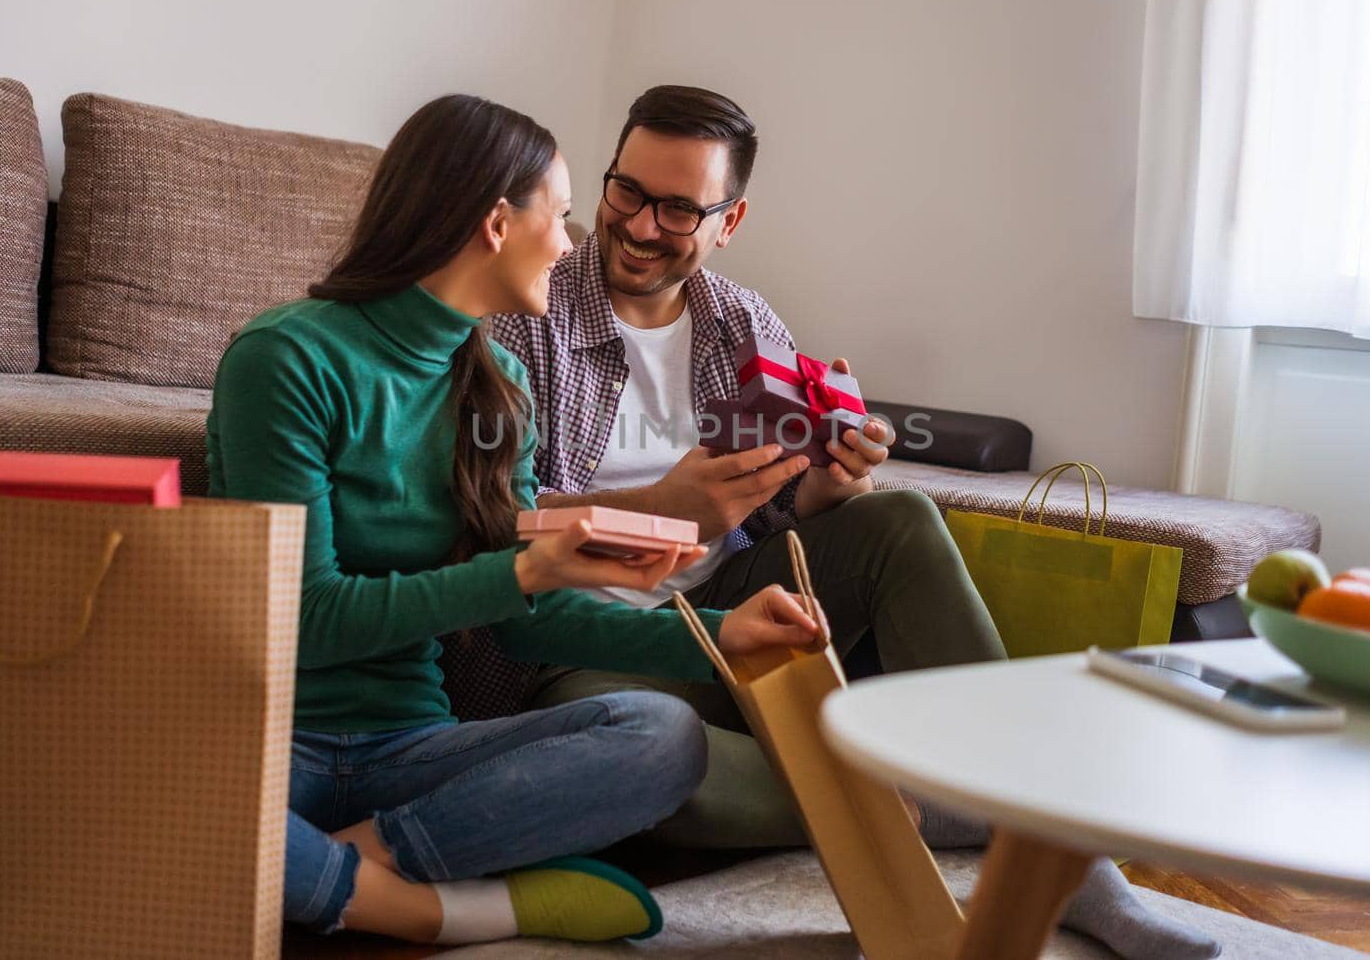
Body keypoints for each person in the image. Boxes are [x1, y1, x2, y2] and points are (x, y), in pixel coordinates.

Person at [491, 85, 1220, 959]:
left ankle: (1073, 868)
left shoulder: (741, 324)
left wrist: (831, 487)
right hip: (588, 644)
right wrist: (658, 509)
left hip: (731, 610)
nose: (642, 225)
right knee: (623, 745)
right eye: (627, 192)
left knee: (900, 517)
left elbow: (774, 519)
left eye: (680, 208)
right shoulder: (527, 309)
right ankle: (941, 803)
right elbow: (493, 524)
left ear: (730, 219)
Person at [207, 93, 826, 947]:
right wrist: (526, 568)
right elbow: (306, 618)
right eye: (561, 214)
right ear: (498, 223)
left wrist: (720, 634)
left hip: (410, 753)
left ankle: (344, 864)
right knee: (147, 785)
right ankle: (434, 907)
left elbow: (524, 621)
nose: (574, 242)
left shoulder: (499, 383)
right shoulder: (287, 359)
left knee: (662, 735)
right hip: (276, 738)